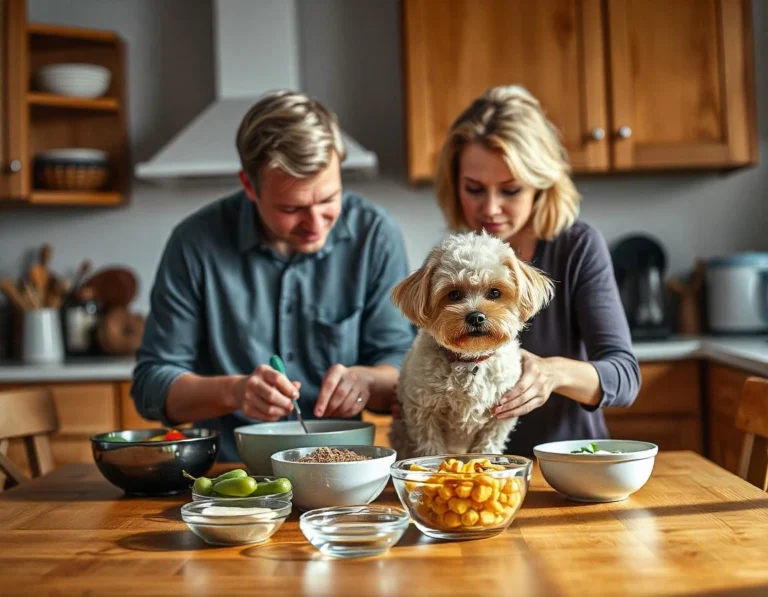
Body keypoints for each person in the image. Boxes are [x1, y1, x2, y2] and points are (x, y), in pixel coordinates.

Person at [131, 90, 414, 460]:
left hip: (344, 470)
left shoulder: (375, 235)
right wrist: (234, 392)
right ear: (249, 186)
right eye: (291, 207)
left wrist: (366, 381)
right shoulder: (195, 244)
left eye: (328, 199)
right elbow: (150, 386)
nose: (315, 224)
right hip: (230, 476)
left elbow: (403, 367)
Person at [431, 85, 640, 456]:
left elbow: (625, 378)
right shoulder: (456, 259)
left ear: (541, 186)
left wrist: (553, 373)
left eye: (510, 190)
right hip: (482, 472)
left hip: (568, 466)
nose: (490, 208)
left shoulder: (577, 247)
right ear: (455, 182)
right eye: (474, 188)